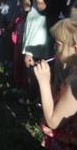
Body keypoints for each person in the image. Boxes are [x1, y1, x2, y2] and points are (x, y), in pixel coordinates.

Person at [33, 18, 77, 149]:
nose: (54, 48)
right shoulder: (73, 69)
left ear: (75, 48)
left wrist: (44, 82)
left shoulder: (75, 82)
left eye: (58, 44)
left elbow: (53, 122)